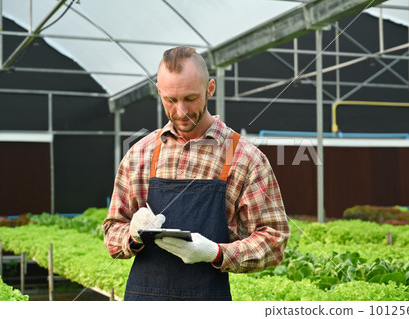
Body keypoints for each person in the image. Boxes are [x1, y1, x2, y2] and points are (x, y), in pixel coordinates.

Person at [103, 46, 290, 301]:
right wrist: (132, 234)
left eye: (190, 99)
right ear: (159, 92)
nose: (180, 111)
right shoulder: (140, 154)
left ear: (210, 89)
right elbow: (113, 232)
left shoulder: (245, 158)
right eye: (170, 99)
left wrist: (216, 253)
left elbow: (274, 240)